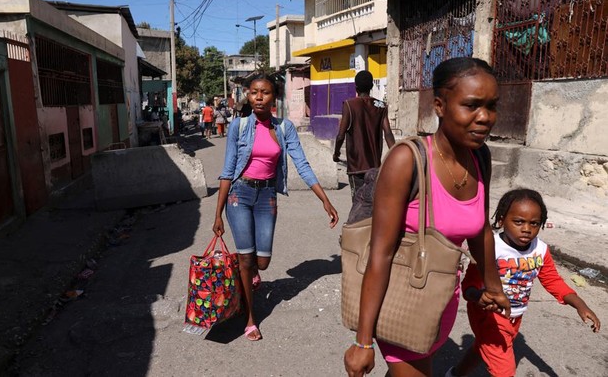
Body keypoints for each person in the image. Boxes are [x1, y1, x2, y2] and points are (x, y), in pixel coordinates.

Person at [344, 57, 511, 377]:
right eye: (472, 105)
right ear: (440, 105)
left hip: (438, 304)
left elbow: (481, 231)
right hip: (398, 301)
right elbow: (380, 253)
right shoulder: (407, 160)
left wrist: (494, 286)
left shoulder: (480, 158)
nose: (485, 118)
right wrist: (363, 342)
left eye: (492, 106)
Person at [213, 73, 339, 342]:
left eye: (265, 92)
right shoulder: (239, 126)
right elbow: (227, 170)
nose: (259, 97)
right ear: (248, 95)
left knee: (262, 261)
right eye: (254, 92)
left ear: (274, 97)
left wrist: (324, 199)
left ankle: (250, 275)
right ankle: (250, 317)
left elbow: (301, 164)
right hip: (239, 195)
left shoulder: (284, 128)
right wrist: (218, 214)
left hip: (267, 195)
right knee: (245, 258)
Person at [446, 188, 601, 377]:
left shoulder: (540, 250)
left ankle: (455, 374)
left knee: (483, 347)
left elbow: (552, 280)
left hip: (515, 315)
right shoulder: (490, 248)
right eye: (518, 221)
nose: (527, 229)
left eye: (534, 223)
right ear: (502, 220)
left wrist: (579, 304)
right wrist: (478, 296)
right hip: (489, 317)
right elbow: (468, 286)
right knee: (504, 370)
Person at [333, 70, 396, 199]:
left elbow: (340, 135)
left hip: (356, 167)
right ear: (372, 86)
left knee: (358, 204)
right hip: (374, 167)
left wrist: (336, 153)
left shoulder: (349, 105)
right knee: (373, 203)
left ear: (356, 87)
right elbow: (388, 133)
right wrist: (396, 154)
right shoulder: (381, 106)